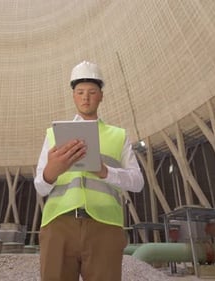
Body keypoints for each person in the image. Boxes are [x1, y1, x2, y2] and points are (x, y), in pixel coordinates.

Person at [34, 61, 144, 281]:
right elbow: (40, 186)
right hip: (58, 225)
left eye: (92, 92)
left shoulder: (118, 135)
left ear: (101, 96)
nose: (86, 98)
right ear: (73, 96)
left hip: (104, 227)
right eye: (80, 92)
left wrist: (106, 173)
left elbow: (138, 182)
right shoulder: (53, 134)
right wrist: (51, 172)